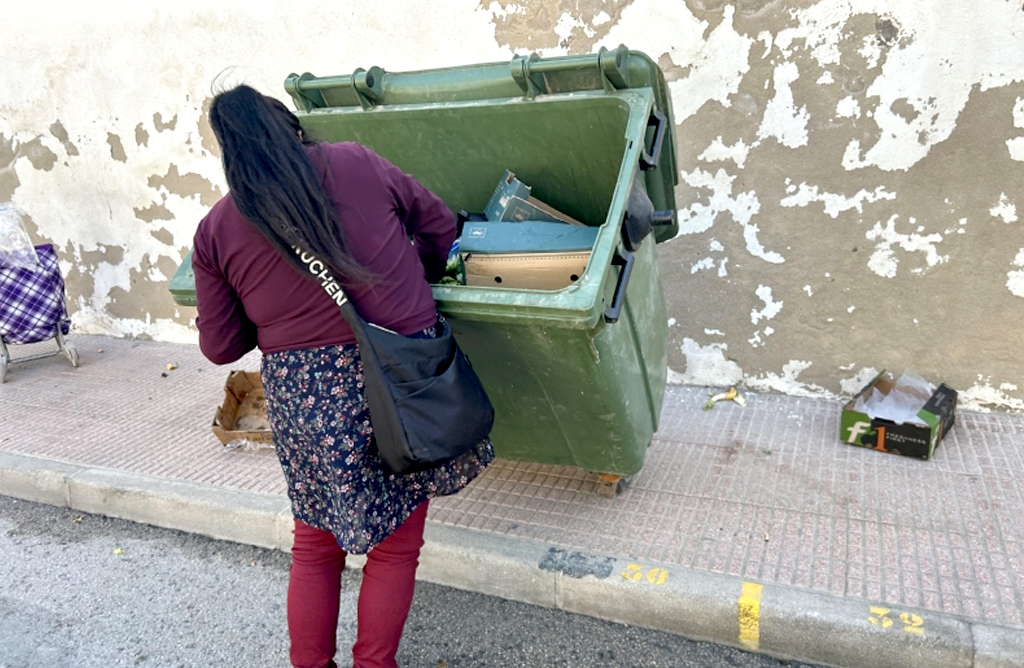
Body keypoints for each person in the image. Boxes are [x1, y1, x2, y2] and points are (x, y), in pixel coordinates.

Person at [191, 84, 494, 668]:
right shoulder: (355, 161)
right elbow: (439, 227)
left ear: (232, 155)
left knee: (315, 543)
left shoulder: (218, 228)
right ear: (292, 129)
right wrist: (412, 277)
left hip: (303, 395)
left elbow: (221, 344)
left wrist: (273, 310)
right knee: (395, 548)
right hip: (400, 374)